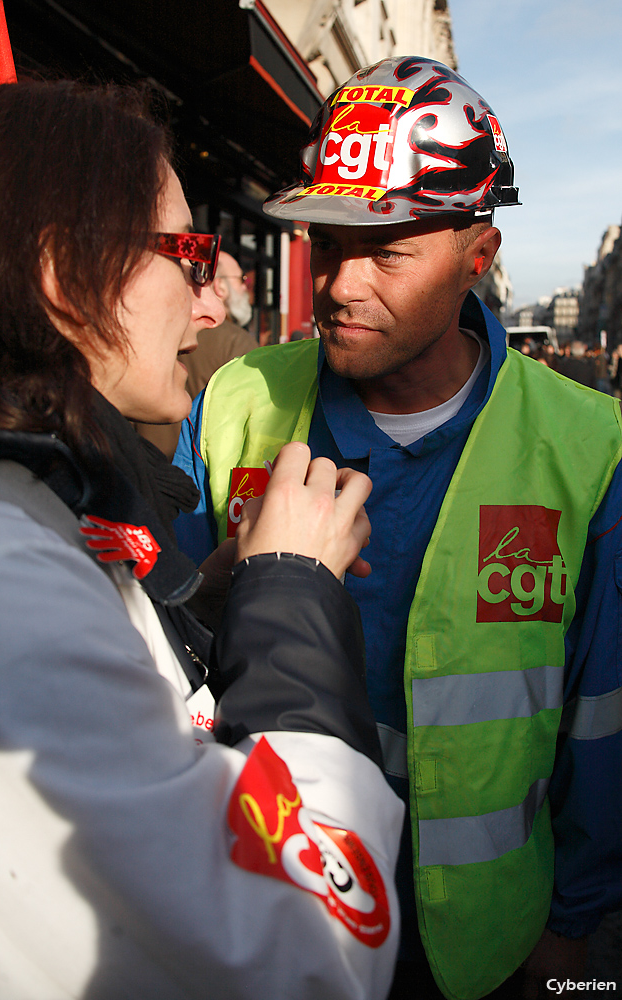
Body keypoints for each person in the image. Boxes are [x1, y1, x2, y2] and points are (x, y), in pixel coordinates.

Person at [173, 57, 622, 1000]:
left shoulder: (590, 448)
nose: (338, 284)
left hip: (485, 944)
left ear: (478, 259)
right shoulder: (233, 403)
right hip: (269, 910)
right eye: (329, 243)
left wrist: (573, 921)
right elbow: (155, 647)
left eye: (386, 252)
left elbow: (601, 711)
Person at [0, 80, 404, 1000]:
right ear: (60, 273)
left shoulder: (24, 509)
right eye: (189, 256)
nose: (210, 309)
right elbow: (306, 949)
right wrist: (290, 591)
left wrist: (207, 593)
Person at [181, 250, 258, 399]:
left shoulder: (172, 328)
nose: (245, 287)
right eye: (241, 279)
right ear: (220, 286)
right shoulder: (237, 342)